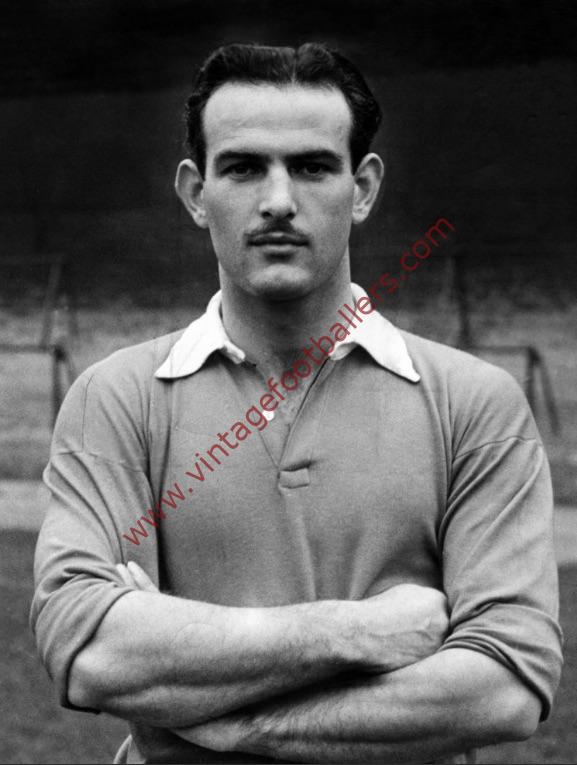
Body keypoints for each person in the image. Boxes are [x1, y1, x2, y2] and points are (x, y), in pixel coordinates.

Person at [31, 43, 563, 764]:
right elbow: (93, 655)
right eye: (243, 167)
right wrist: (356, 632)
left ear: (362, 188)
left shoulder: (474, 404)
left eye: (312, 167)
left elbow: (502, 687)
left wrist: (234, 722)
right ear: (195, 193)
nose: (278, 200)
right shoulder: (116, 398)